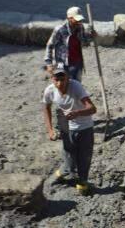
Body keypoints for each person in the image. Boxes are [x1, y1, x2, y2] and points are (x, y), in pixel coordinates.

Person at [41, 63, 97, 195]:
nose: (60, 83)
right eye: (57, 79)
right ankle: (62, 172)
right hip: (66, 127)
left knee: (84, 157)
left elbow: (92, 108)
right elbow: (45, 107)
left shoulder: (76, 86)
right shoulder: (50, 90)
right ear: (52, 79)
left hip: (84, 128)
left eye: (62, 79)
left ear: (68, 78)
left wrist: (77, 113)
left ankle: (82, 181)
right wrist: (50, 130)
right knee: (68, 155)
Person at [44, 7, 95, 82]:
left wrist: (90, 35)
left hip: (77, 63)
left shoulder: (80, 27)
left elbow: (84, 41)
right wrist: (49, 63)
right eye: (77, 19)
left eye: (80, 19)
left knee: (76, 86)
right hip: (63, 64)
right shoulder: (60, 29)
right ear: (69, 18)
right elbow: (50, 45)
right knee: (63, 86)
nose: (79, 21)